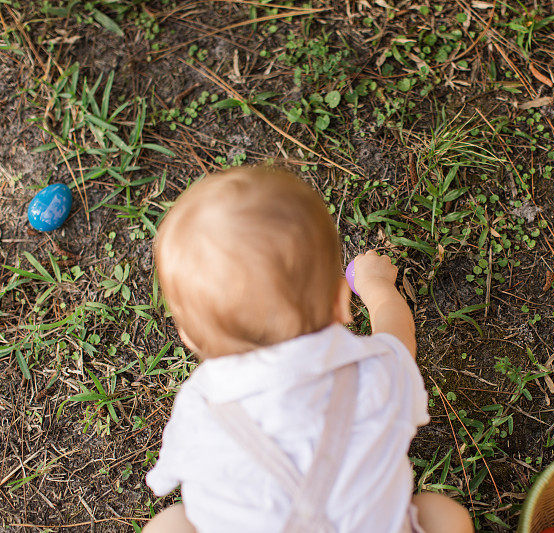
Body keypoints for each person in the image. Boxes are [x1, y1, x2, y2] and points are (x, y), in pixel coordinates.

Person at [143, 166, 473, 533]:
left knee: (169, 524)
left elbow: (168, 479)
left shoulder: (198, 408)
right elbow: (398, 336)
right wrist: (376, 285)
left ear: (189, 336)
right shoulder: (375, 370)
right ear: (340, 301)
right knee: (444, 517)